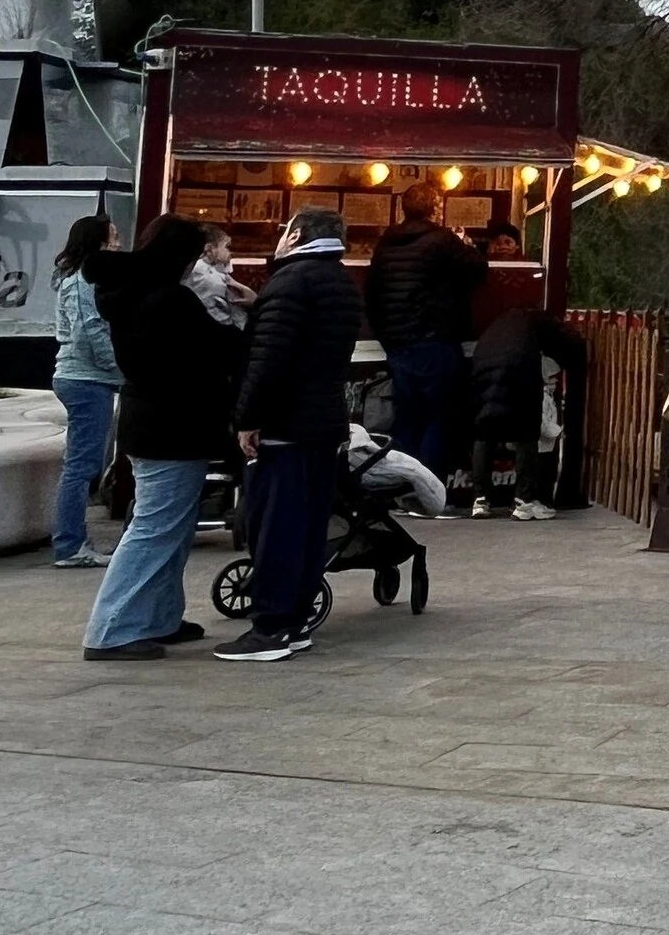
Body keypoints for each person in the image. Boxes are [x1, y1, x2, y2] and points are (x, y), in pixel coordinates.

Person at [78, 216, 245, 662]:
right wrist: (255, 312)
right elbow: (221, 348)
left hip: (149, 420)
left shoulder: (126, 291)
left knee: (172, 527)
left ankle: (158, 618)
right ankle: (112, 629)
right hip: (175, 425)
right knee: (154, 528)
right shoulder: (171, 299)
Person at [216, 207, 361, 664]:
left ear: (295, 236)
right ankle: (295, 622)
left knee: (274, 528)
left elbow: (270, 359)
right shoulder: (339, 281)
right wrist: (262, 303)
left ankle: (270, 628)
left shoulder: (291, 281)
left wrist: (248, 418)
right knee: (307, 528)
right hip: (322, 422)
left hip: (285, 423)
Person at [365, 183, 485, 474]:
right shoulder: (442, 240)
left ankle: (402, 482)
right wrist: (468, 244)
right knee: (438, 415)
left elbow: (372, 292)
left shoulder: (386, 243)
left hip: (396, 342)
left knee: (407, 415)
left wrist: (386, 334)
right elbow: (477, 269)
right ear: (435, 208)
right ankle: (426, 484)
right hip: (433, 339)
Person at [464, 299, 591, 517]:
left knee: (485, 433)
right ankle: (524, 502)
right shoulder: (536, 320)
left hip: (484, 372)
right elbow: (566, 341)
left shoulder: (498, 324)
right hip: (519, 371)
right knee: (527, 434)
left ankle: (480, 500)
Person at [48, 213, 125, 568]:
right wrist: (121, 368)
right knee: (81, 466)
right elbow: (90, 330)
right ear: (98, 243)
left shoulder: (76, 277)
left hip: (83, 377)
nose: (118, 243)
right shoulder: (83, 280)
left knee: (82, 464)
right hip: (86, 379)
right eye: (113, 237)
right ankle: (70, 545)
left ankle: (73, 541)